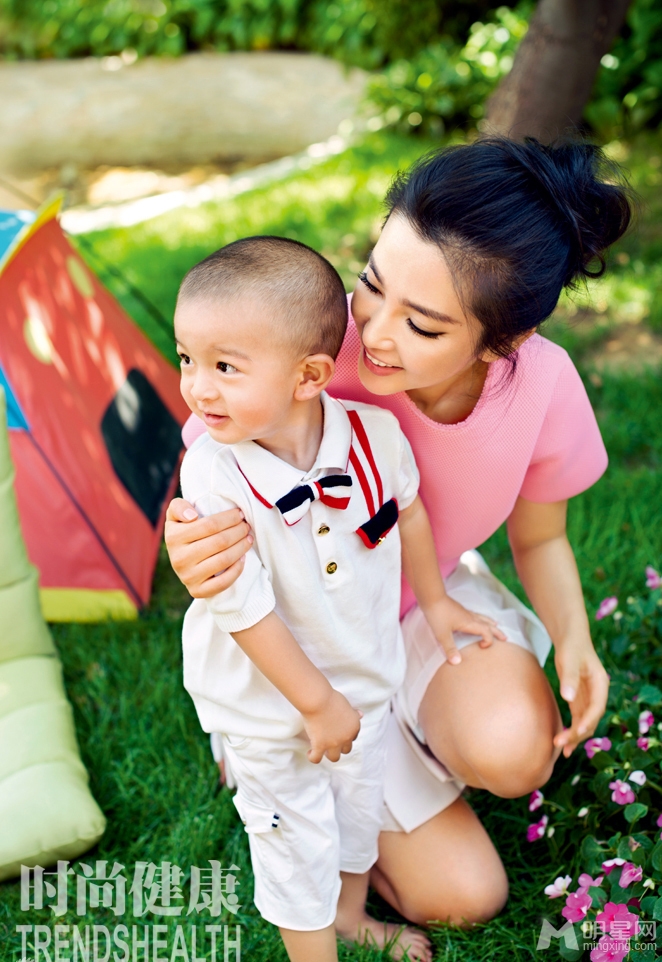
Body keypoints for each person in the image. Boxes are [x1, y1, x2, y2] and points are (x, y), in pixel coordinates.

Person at [166, 138, 632, 927]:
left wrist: (575, 639)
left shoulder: (542, 386)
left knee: (515, 752)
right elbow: (214, 471)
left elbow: (542, 539)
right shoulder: (315, 350)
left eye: (422, 325)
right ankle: (277, 754)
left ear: (503, 342)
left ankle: (399, 745)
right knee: (466, 895)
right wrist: (189, 541)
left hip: (422, 595)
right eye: (370, 288)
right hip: (304, 623)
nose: (375, 335)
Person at [174, 236, 503, 962]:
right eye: (186, 360)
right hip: (268, 705)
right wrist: (315, 704)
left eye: (224, 367)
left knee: (355, 817)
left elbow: (407, 512)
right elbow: (240, 606)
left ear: (310, 375)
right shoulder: (213, 474)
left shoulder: (375, 438)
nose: (198, 388)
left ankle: (352, 916)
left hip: (366, 679)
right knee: (296, 834)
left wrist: (435, 601)